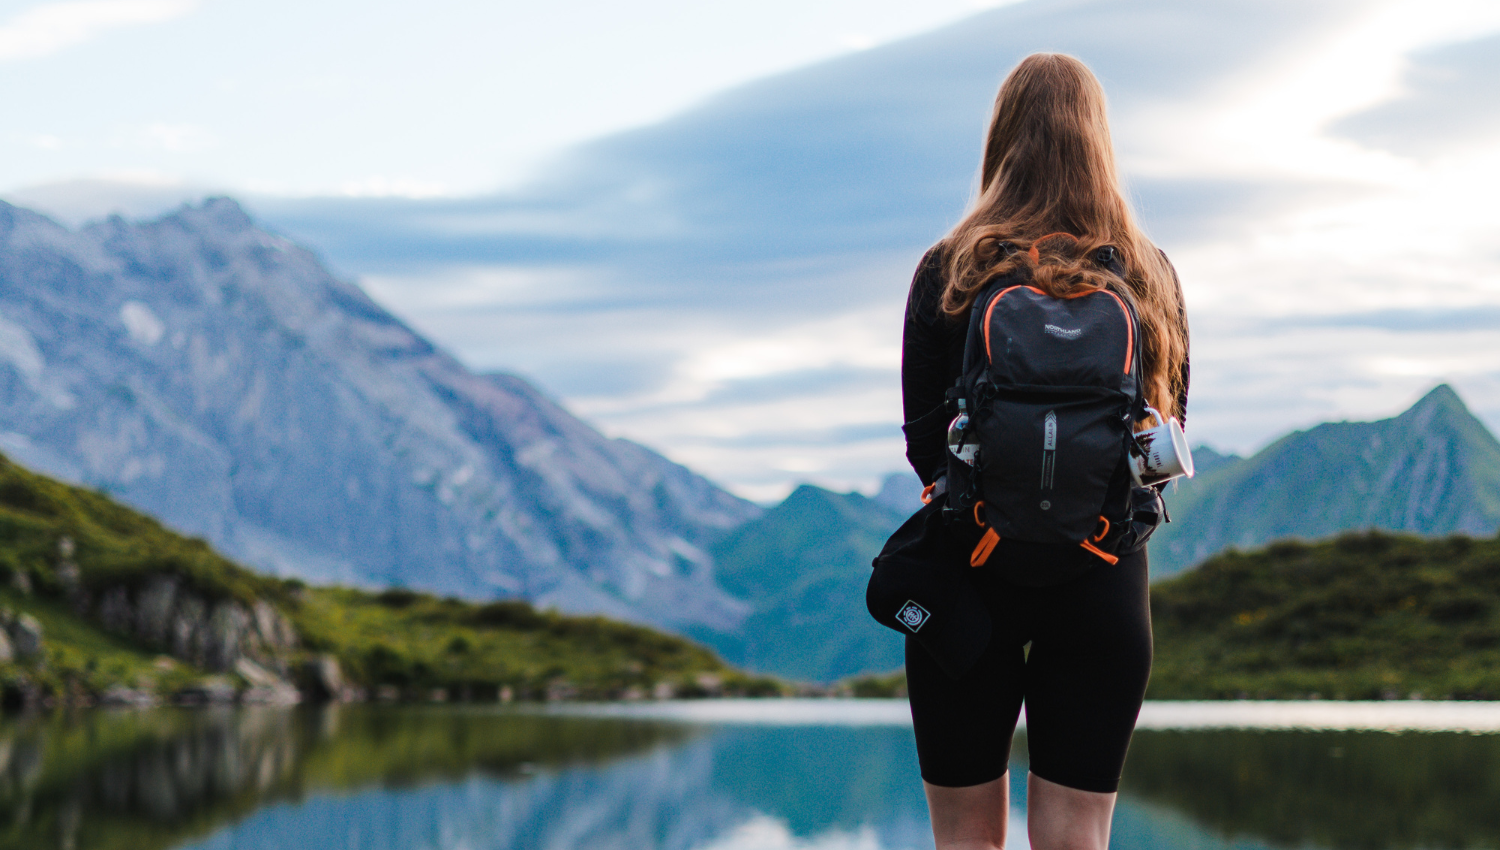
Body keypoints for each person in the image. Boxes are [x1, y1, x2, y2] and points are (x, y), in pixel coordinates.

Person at [899, 53, 1190, 850]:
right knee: (1075, 839)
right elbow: (1164, 434)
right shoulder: (1148, 274)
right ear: (1100, 142)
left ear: (1000, 140)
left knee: (965, 840)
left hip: (968, 575)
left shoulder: (948, 270)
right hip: (1101, 578)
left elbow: (926, 445)